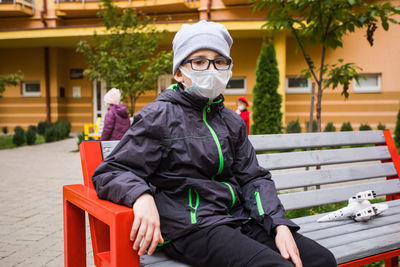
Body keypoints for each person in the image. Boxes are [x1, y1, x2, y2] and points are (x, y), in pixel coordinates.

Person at [92, 20, 336, 267]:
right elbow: (113, 171)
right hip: (190, 226)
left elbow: (252, 178)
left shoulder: (232, 121)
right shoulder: (158, 116)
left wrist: (278, 224)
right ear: (179, 72)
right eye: (198, 61)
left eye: (220, 61)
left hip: (237, 218)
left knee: (321, 260)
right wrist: (141, 197)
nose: (211, 69)